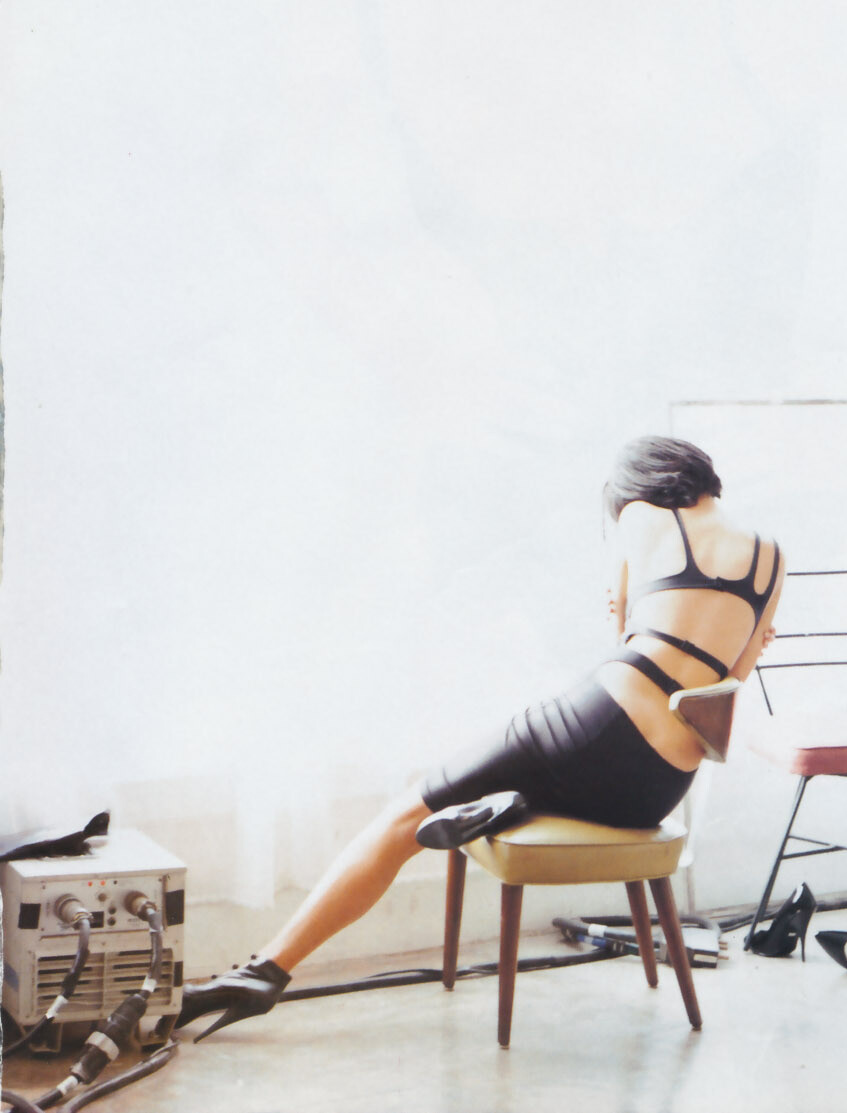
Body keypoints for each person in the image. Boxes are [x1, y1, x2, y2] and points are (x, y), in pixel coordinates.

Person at [177, 435, 783, 1037]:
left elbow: (622, 626)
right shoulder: (772, 556)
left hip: (598, 723)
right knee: (541, 773)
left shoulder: (645, 516)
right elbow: (730, 681)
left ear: (637, 486)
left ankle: (265, 971)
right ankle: (511, 801)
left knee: (404, 814)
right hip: (658, 787)